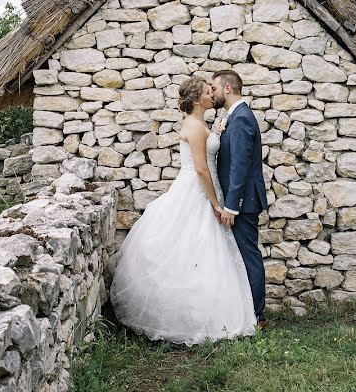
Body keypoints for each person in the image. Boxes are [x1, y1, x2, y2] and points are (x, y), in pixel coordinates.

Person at [109, 76, 256, 345]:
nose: (212, 94)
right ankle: (191, 318)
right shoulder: (196, 127)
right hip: (197, 189)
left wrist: (220, 131)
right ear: (198, 99)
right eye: (207, 92)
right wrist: (214, 203)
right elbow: (201, 168)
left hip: (202, 186)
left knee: (201, 250)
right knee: (193, 246)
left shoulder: (200, 124)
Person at [211, 69, 269, 330]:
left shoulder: (242, 118)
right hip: (237, 200)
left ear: (228, 89)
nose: (212, 93)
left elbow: (240, 166)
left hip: (243, 202)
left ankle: (258, 316)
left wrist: (233, 205)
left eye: (214, 88)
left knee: (249, 256)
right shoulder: (233, 117)